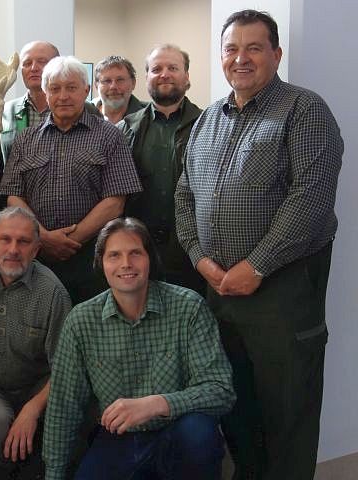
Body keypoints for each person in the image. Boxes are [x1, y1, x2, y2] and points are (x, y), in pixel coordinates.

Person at [175, 9, 343, 480]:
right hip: (219, 290)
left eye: (254, 48)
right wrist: (200, 259)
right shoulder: (208, 120)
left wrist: (257, 266)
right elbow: (184, 195)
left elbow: (311, 197)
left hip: (282, 290)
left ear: (276, 54)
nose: (241, 58)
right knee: (236, 406)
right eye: (231, 49)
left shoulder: (304, 110)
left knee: (288, 412)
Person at [43, 217, 235, 480]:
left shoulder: (189, 308)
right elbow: (64, 405)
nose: (126, 263)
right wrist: (54, 475)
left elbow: (221, 390)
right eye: (114, 255)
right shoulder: (81, 321)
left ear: (150, 259)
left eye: (135, 253)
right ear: (101, 263)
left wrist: (158, 403)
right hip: (118, 440)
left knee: (199, 431)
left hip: (177, 434)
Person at [0, 56, 141, 305]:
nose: (63, 96)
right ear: (46, 93)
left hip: (92, 258)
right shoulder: (26, 139)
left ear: (86, 90)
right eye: (55, 88)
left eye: (71, 88)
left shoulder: (110, 136)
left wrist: (70, 242)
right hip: (37, 257)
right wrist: (43, 237)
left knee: (89, 322)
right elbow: (13, 196)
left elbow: (116, 201)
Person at [0, 206, 71, 478]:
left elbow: (67, 367)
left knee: (67, 421)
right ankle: (8, 465)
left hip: (36, 385)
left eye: (23, 242)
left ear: (36, 249)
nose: (13, 249)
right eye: (5, 239)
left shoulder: (52, 293)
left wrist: (32, 409)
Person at [118, 44, 203, 293]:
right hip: (138, 250)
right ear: (147, 77)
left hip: (193, 253)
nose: (164, 74)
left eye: (173, 68)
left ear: (186, 77)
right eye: (156, 69)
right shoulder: (125, 129)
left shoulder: (208, 125)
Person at [0, 41, 101, 218]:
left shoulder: (85, 110)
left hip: (73, 209)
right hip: (15, 209)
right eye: (27, 63)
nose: (33, 68)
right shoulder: (5, 111)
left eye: (42, 62)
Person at [92, 55, 145, 124]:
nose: (113, 86)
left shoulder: (149, 116)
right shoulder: (83, 114)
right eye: (107, 81)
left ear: (133, 83)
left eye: (120, 80)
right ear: (96, 85)